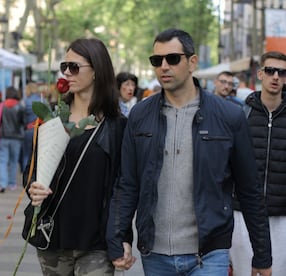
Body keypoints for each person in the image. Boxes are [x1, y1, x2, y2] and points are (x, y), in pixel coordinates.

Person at [106, 28, 272, 276]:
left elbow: (250, 190)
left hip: (209, 254)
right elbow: (127, 183)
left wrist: (262, 255)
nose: (163, 66)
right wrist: (120, 237)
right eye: (156, 60)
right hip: (155, 254)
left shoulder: (229, 116)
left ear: (192, 62)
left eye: (172, 59)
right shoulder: (140, 116)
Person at [25, 37, 130, 275]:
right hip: (53, 235)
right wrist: (33, 187)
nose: (67, 74)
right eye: (64, 67)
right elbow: (31, 170)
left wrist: (123, 237)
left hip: (96, 243)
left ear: (96, 71)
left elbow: (124, 188)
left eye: (74, 67)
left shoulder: (118, 127)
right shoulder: (51, 119)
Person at [230, 51, 286, 275]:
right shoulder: (240, 114)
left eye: (282, 72)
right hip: (243, 214)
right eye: (270, 70)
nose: (275, 76)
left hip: (281, 216)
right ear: (260, 74)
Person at [0, 86, 25, 193]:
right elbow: (23, 122)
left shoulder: (1, 106)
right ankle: (12, 183)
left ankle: (2, 184)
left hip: (3, 137)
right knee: (13, 161)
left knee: (2, 161)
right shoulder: (20, 107)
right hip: (17, 138)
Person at [21, 80, 42, 170]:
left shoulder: (25, 101)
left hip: (28, 129)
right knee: (38, 153)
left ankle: (26, 172)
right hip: (41, 129)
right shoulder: (42, 100)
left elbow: (22, 117)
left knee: (26, 153)